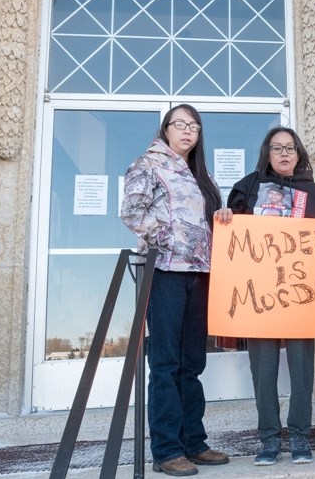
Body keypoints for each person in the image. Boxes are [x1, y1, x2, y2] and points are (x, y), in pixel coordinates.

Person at [121, 104, 231, 477]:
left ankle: (194, 443)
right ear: (165, 129)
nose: (188, 131)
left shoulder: (200, 173)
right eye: (180, 124)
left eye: (195, 127)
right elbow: (132, 212)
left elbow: (207, 219)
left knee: (192, 363)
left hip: (200, 273)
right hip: (165, 271)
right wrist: (172, 239)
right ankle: (167, 450)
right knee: (166, 363)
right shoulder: (148, 164)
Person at [227, 127, 315, 466]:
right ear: (267, 153)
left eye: (290, 148)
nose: (284, 153)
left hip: (301, 295)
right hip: (259, 295)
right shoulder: (249, 187)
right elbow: (234, 235)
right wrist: (225, 217)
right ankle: (269, 440)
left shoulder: (312, 192)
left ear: (299, 153)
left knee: (302, 370)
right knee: (264, 370)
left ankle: (301, 438)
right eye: (277, 148)